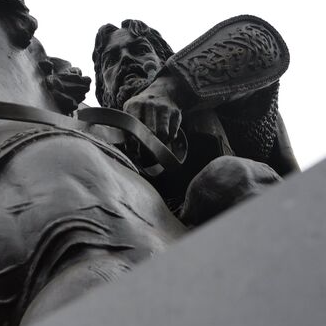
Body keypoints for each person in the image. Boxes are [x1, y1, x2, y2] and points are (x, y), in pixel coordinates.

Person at [91, 16, 299, 225]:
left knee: (226, 176)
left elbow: (261, 42)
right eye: (111, 60)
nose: (126, 59)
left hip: (265, 221)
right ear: (103, 89)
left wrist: (170, 89)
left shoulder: (217, 97)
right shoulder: (97, 144)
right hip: (153, 246)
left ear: (165, 61)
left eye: (140, 50)